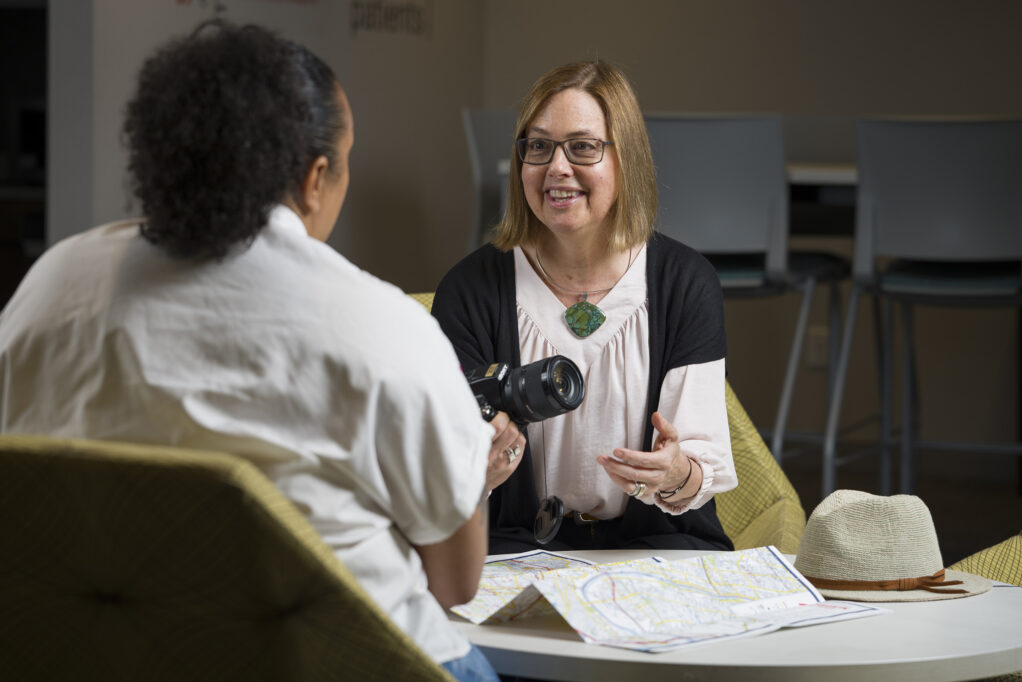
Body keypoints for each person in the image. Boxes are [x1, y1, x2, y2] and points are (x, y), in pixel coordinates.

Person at [0, 22, 515, 681]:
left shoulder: (51, 286)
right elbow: (454, 584)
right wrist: (469, 464)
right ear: (315, 176)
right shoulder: (381, 325)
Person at [432, 61, 738, 554]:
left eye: (583, 147)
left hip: (655, 543)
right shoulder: (469, 290)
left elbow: (699, 467)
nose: (557, 167)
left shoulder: (684, 284)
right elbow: (438, 473)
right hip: (511, 547)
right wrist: (473, 471)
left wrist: (674, 474)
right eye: (538, 146)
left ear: (627, 160)